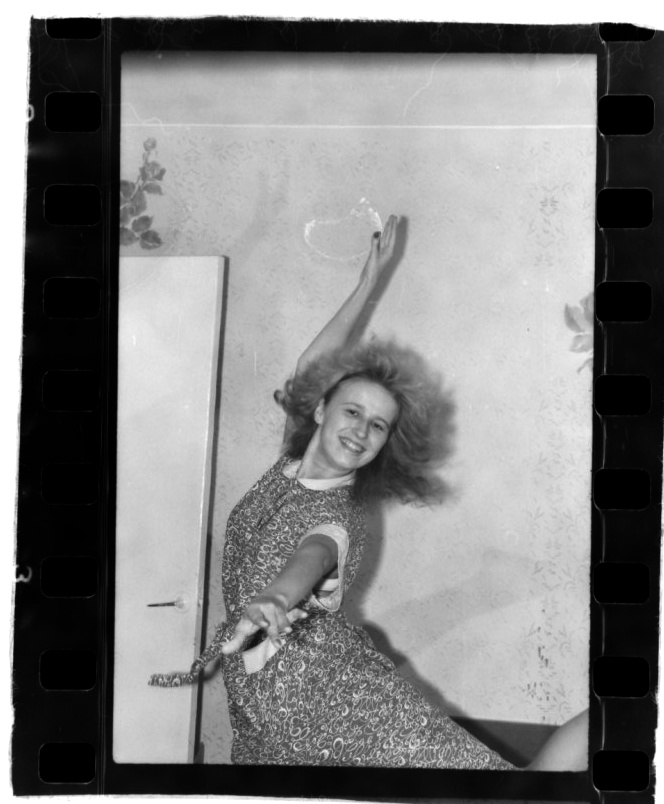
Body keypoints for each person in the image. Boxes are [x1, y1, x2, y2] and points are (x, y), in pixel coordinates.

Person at [149, 215, 588, 771]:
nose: (361, 430)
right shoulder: (287, 467)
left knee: (517, 794)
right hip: (264, 716)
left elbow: (313, 555)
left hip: (341, 711)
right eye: (353, 412)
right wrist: (366, 286)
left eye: (378, 425)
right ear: (319, 411)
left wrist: (278, 598)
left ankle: (635, 702)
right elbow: (309, 368)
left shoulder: (339, 517)